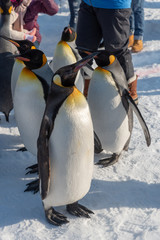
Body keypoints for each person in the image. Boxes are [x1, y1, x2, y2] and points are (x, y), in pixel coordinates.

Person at [76, 0, 138, 104]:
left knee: (117, 50)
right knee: (84, 49)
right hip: (88, 3)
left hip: (113, 5)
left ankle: (129, 90)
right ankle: (87, 89)